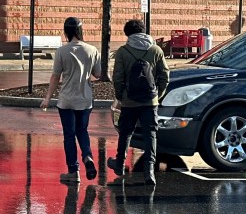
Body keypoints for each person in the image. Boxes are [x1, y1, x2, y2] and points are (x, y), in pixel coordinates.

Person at [40, 17, 102, 183]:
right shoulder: (92, 50)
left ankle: (73, 171)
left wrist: (47, 98)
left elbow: (55, 76)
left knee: (69, 135)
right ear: (81, 31)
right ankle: (87, 156)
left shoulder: (62, 51)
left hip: (66, 100)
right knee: (82, 131)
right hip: (85, 99)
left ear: (66, 32)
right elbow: (98, 74)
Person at [109, 19, 169, 185]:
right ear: (143, 31)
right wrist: (157, 96)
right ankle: (149, 171)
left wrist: (121, 96)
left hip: (130, 101)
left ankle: (120, 164)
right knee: (151, 135)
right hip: (150, 102)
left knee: (125, 132)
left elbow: (117, 77)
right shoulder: (156, 50)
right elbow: (165, 76)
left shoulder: (123, 51)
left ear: (127, 33)